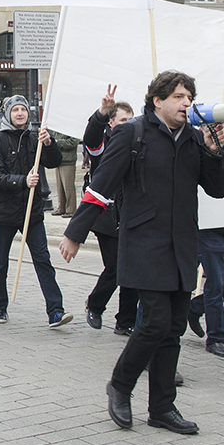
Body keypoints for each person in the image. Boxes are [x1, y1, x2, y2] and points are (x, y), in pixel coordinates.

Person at [61, 71, 224, 435]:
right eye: (179, 96)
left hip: (182, 245)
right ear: (158, 100)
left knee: (173, 327)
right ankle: (120, 386)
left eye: (189, 97)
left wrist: (215, 152)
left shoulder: (193, 138)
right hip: (144, 244)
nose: (187, 103)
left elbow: (217, 190)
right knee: (154, 322)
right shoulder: (132, 134)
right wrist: (75, 233)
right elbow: (101, 186)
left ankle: (162, 408)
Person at [0, 95, 67, 326]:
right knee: (0, 263)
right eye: (15, 110)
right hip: (4, 213)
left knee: (43, 260)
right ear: (7, 113)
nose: (20, 113)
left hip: (32, 212)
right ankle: (0, 307)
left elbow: (54, 161)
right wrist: (23, 181)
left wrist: (49, 144)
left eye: (23, 109)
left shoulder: (35, 138)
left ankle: (56, 311)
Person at [81, 86, 139, 333]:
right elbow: (91, 139)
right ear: (112, 123)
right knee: (115, 268)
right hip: (106, 217)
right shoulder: (104, 146)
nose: (128, 124)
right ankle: (95, 304)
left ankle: (125, 322)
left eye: (131, 120)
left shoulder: (138, 143)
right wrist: (101, 113)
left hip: (130, 216)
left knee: (133, 271)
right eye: (123, 120)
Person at [188, 134, 224, 357]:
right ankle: (217, 337)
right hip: (209, 228)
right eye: (219, 126)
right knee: (216, 282)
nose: (223, 130)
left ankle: (194, 308)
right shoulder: (196, 152)